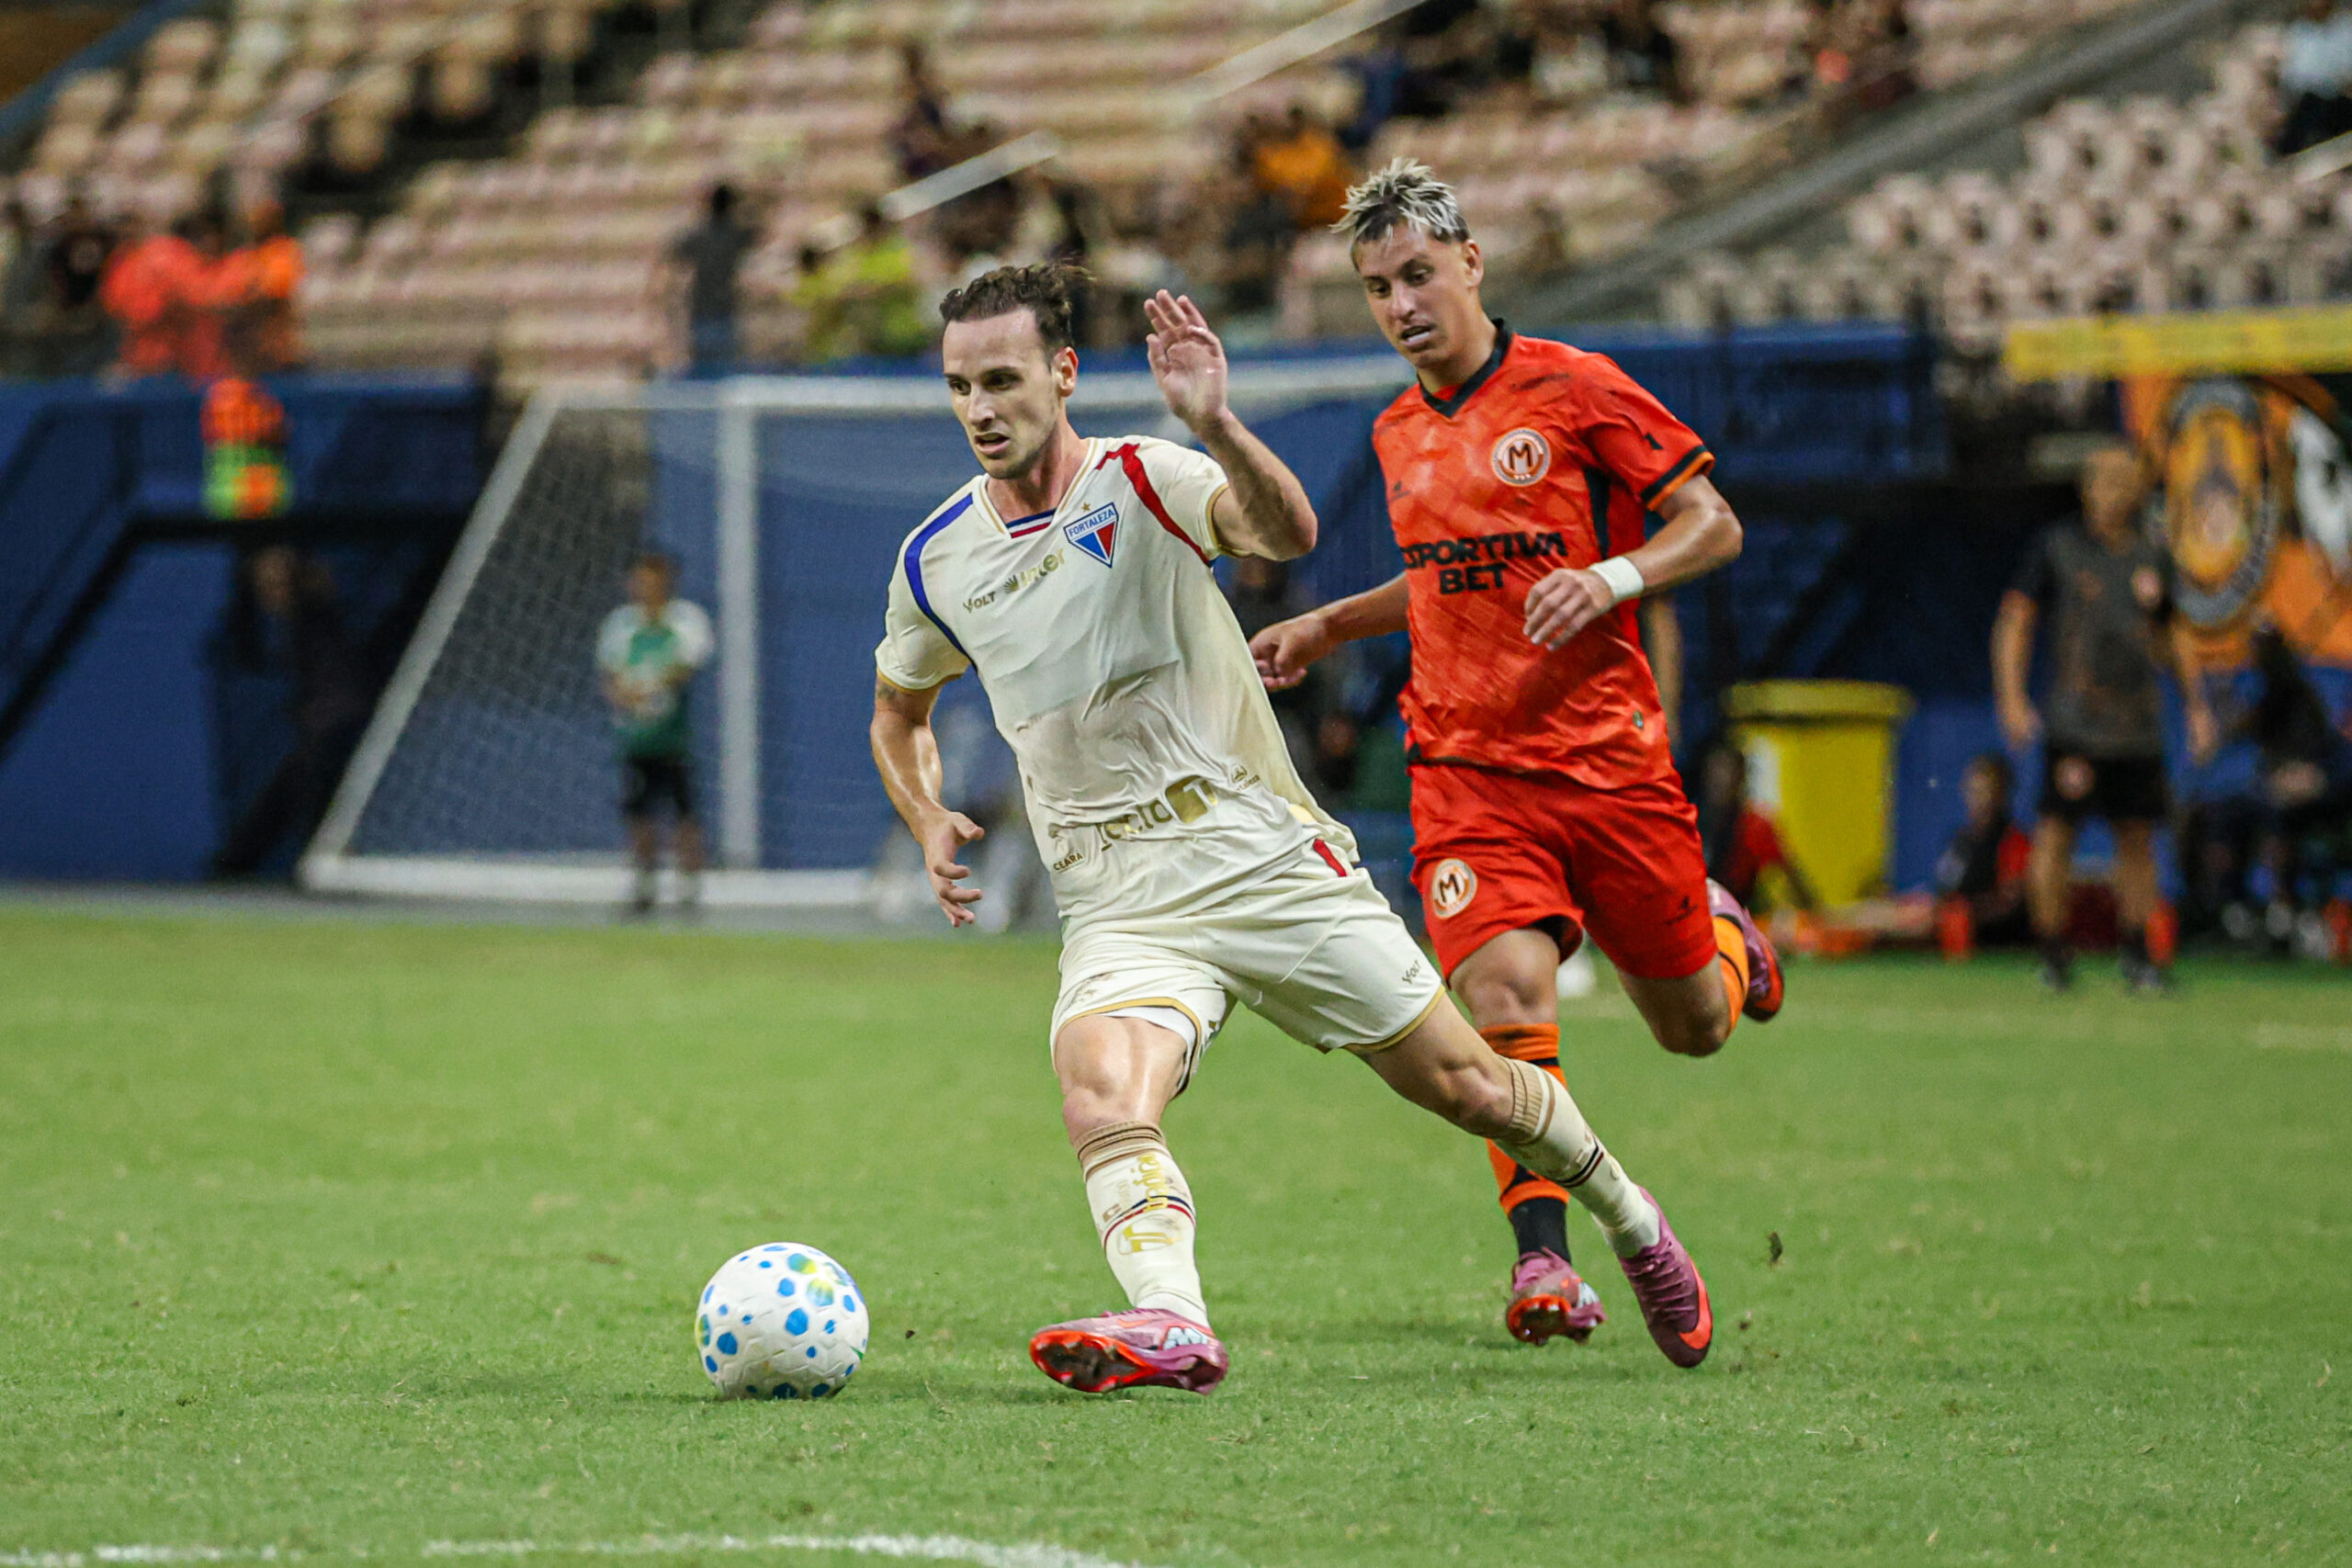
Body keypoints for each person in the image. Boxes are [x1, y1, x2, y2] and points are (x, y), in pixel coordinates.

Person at [869, 264, 1713, 1394]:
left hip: (1254, 851)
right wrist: (924, 812)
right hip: (1116, 891)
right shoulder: (937, 556)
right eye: (960, 386)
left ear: (1063, 374)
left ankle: (1629, 1214)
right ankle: (1169, 1317)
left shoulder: (1144, 477)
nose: (980, 408)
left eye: (1004, 380)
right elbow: (898, 711)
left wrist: (1213, 420)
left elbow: (1283, 529)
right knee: (1098, 1087)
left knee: (1466, 1086)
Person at [1248, 160, 1780, 1348]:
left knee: (1693, 1024)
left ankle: (1731, 936)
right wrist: (1333, 621)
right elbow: (1448, 582)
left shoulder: (1575, 387)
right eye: (1378, 287)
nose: (1400, 305)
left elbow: (1716, 522)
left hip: (1610, 765)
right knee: (1504, 1001)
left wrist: (1612, 572)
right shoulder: (1395, 431)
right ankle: (1545, 1264)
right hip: (1467, 770)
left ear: (1472, 263)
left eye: (1418, 274)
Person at [1993, 442, 2216, 992]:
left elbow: (2175, 634)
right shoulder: (2057, 549)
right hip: (2075, 724)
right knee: (2056, 835)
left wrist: (2196, 707)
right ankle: (2051, 952)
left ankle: (2140, 953)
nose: (2120, 491)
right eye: (2109, 479)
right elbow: (2015, 621)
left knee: (2138, 839)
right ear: (2087, 486)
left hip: (2136, 725)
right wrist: (2013, 698)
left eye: (2129, 480)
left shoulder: (2151, 555)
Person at [596, 551, 713, 914]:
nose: (645, 586)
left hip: (675, 740)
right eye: (640, 578)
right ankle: (644, 887)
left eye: (653, 578)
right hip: (636, 739)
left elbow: (687, 665)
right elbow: (610, 678)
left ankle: (689, 891)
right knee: (639, 815)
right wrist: (626, 694)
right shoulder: (620, 625)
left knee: (684, 814)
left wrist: (651, 684)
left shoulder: (686, 620)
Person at [1698, 746, 1818, 913]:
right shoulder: (1688, 823)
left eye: (1728, 772)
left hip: (1737, 919)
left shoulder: (1755, 827)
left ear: (1741, 778)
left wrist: (1815, 916)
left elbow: (1794, 882)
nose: (1720, 780)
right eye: (1715, 772)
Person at [1933, 751, 2033, 947]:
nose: (1976, 800)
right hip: (1948, 929)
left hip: (1996, 941)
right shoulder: (1959, 840)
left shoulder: (2014, 841)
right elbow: (1944, 890)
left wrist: (1966, 916)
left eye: (1984, 792)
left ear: (2001, 795)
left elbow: (2011, 903)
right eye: (1972, 791)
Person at [671, 185, 754, 375]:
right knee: (725, 370)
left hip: (702, 308)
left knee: (703, 371)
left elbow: (674, 260)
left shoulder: (698, 234)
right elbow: (760, 228)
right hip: (725, 309)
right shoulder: (736, 234)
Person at [2277, 0, 2352, 156]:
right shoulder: (2296, 33)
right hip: (2311, 105)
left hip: (2344, 101)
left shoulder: (2346, 27)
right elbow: (2294, 77)